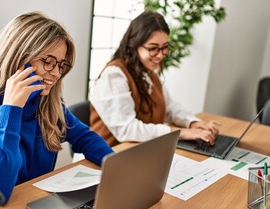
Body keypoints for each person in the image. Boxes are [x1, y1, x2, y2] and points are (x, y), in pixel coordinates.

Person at [0, 11, 113, 209]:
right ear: (17, 58)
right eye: (47, 62)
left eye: (60, 65)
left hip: (28, 206)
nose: (56, 73)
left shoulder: (47, 103)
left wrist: (117, 167)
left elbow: (84, 137)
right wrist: (12, 108)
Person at [89, 10, 220, 147]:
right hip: (107, 157)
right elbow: (127, 130)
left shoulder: (147, 71)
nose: (160, 55)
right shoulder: (114, 76)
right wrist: (182, 132)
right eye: (153, 48)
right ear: (134, 45)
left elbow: (170, 108)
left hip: (142, 152)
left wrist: (193, 123)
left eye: (164, 47)